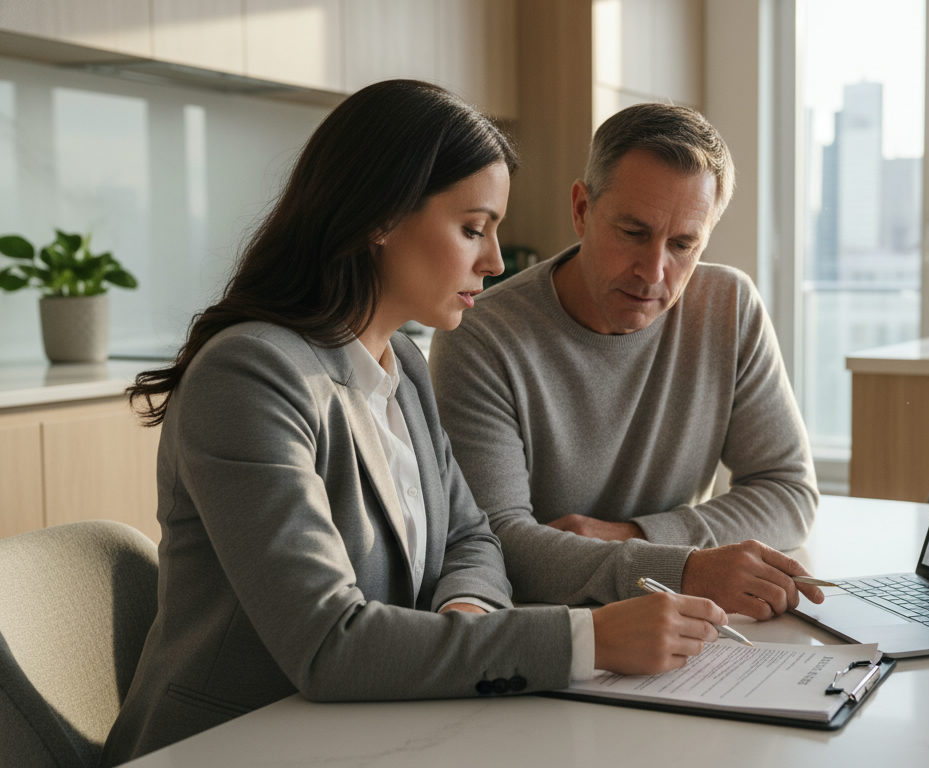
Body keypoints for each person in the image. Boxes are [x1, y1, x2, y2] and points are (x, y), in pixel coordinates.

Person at [102, 82, 724, 766]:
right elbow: (328, 643)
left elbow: (472, 539)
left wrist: (462, 631)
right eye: (472, 227)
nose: (493, 260)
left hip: (375, 731)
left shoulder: (400, 359)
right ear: (382, 216)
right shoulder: (250, 375)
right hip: (230, 745)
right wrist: (590, 640)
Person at [429, 103, 824, 620]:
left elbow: (789, 492)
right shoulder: (482, 335)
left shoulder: (729, 306)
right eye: (634, 233)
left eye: (684, 244)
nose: (653, 271)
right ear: (581, 209)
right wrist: (682, 568)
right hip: (549, 629)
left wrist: (638, 537)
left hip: (680, 627)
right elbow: (496, 542)